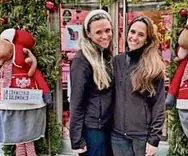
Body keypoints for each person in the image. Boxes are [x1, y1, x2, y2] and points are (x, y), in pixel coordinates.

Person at [112, 16, 166, 156]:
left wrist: (154, 138)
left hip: (142, 137)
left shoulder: (154, 66)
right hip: (117, 136)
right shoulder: (117, 61)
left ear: (147, 40)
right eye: (132, 32)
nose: (134, 37)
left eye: (141, 34)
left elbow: (159, 105)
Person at [69, 9, 113, 156]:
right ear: (89, 34)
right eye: (98, 32)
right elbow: (76, 101)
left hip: (108, 126)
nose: (105, 36)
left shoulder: (106, 55)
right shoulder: (81, 60)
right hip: (93, 129)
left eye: (108, 30)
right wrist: (76, 140)